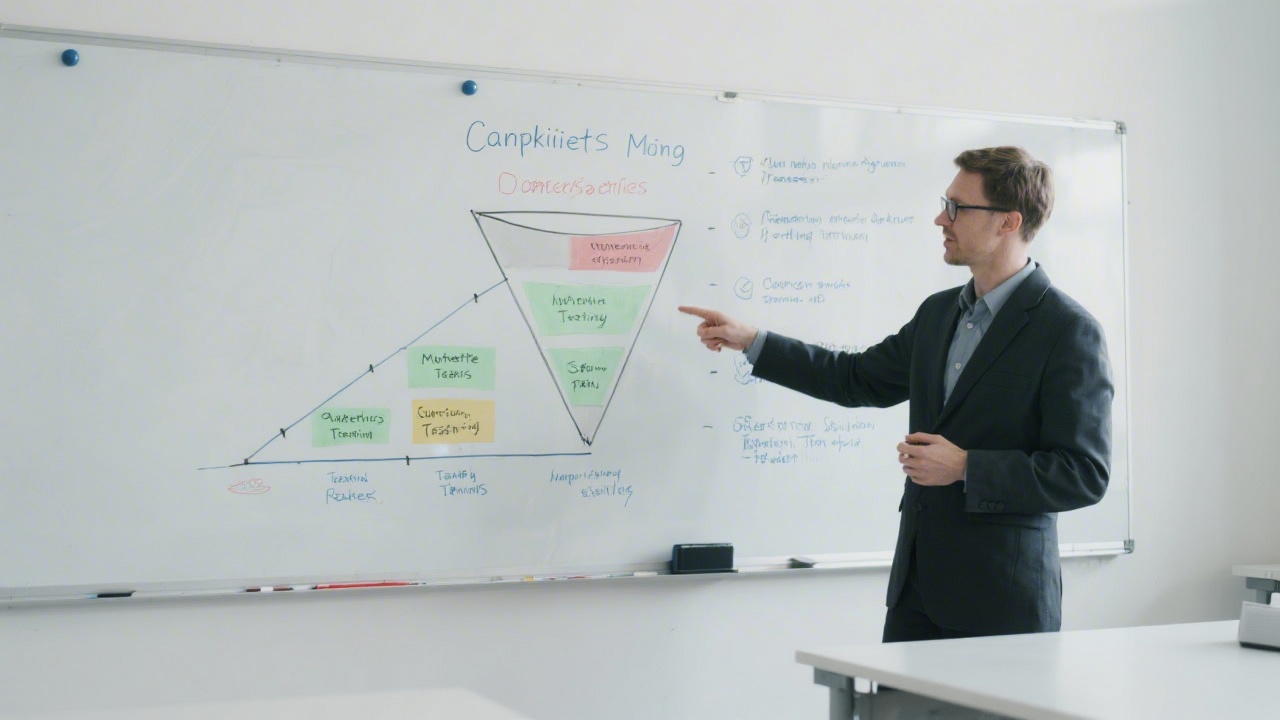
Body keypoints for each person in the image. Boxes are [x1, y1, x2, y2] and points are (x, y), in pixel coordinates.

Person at [680, 147, 1113, 641]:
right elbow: (854, 377)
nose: (939, 218)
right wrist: (753, 342)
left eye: (956, 207)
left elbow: (1084, 473)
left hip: (1002, 603)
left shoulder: (1067, 330)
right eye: (943, 203)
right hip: (916, 592)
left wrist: (968, 466)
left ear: (1007, 222)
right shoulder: (938, 313)